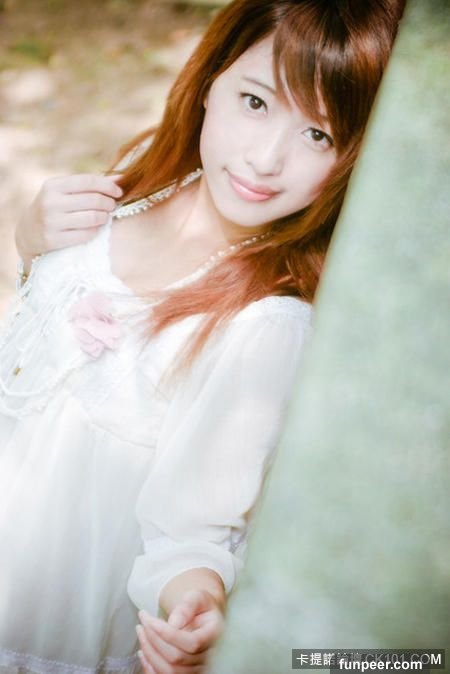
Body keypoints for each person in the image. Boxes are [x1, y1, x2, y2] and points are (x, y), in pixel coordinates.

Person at [1, 1, 405, 673]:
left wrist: (195, 601)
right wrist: (32, 246)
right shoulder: (146, 178)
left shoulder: (267, 326)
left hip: (49, 620)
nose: (265, 159)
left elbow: (191, 528)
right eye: (256, 102)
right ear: (212, 79)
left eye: (318, 135)